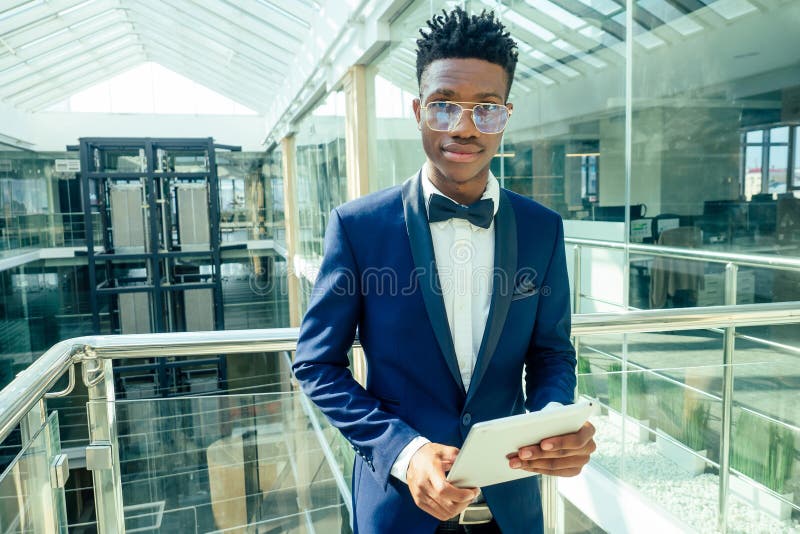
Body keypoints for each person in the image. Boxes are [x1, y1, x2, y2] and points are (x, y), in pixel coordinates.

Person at [293, 7, 596, 533]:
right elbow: (317, 365)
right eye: (443, 106)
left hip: (512, 511)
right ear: (417, 110)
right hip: (398, 511)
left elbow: (551, 354)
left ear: (505, 115)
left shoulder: (543, 229)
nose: (463, 127)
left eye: (486, 109)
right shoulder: (358, 227)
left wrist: (549, 423)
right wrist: (405, 453)